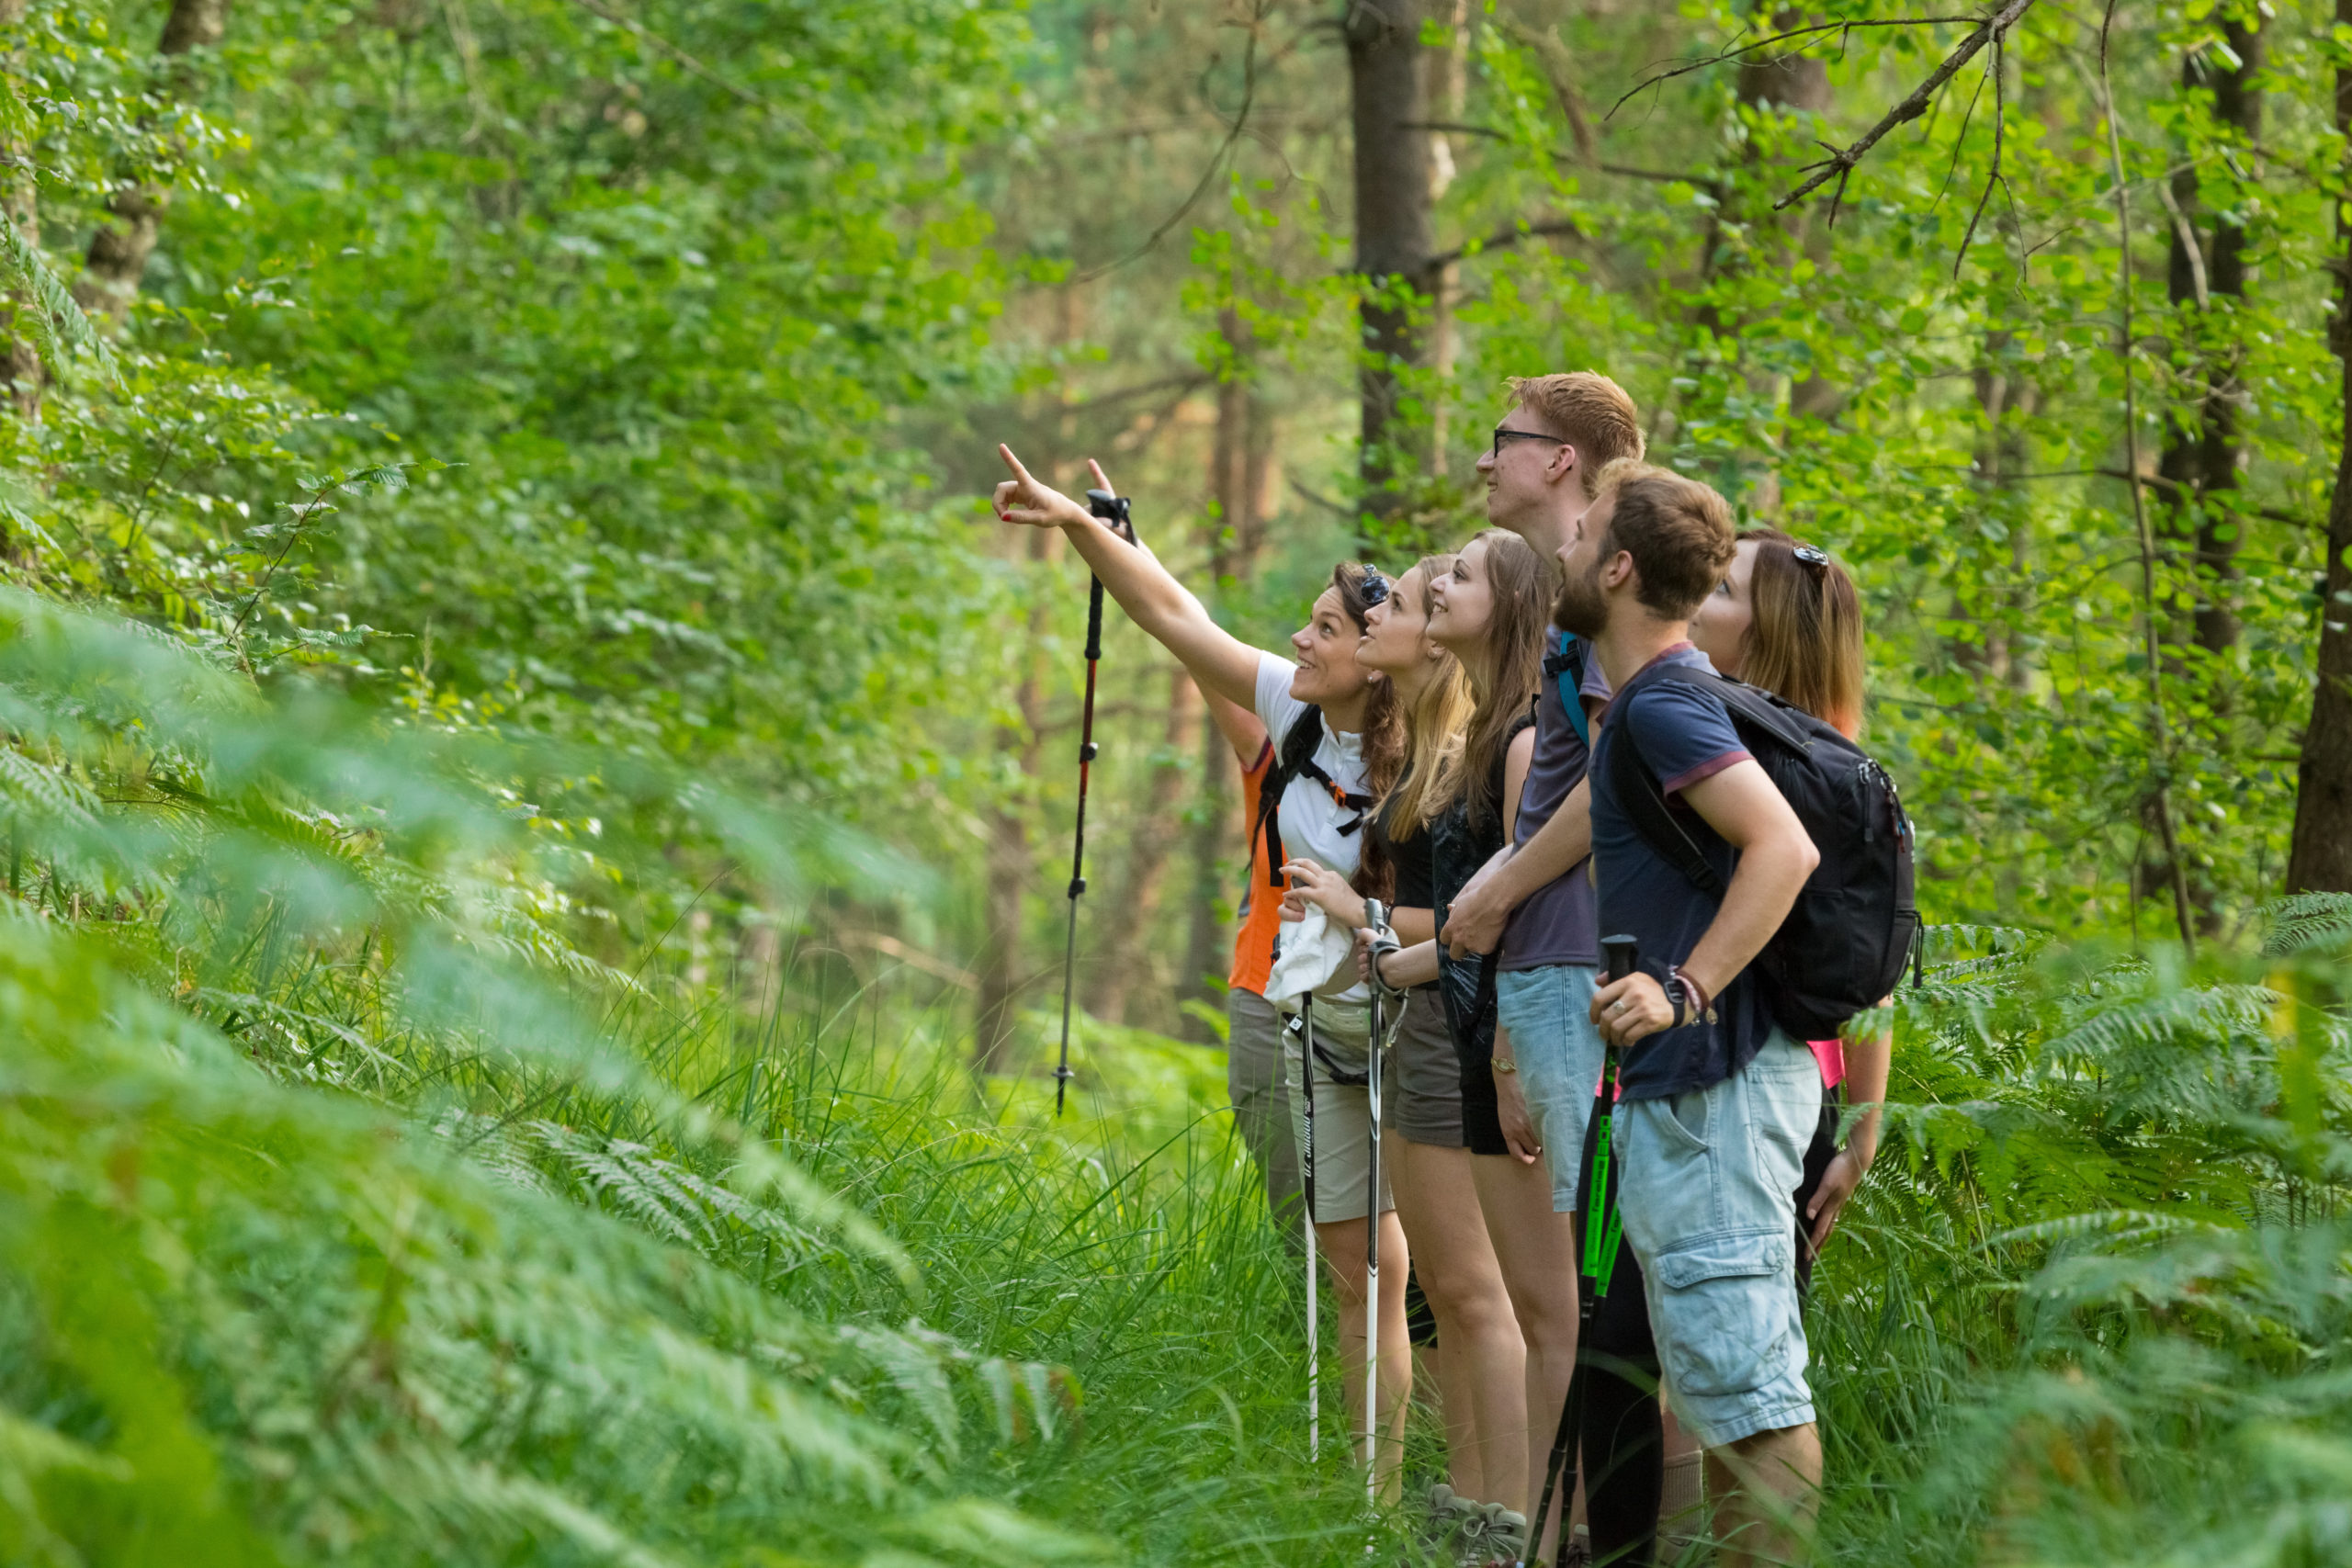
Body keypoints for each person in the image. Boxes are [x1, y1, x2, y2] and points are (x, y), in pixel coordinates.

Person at [989, 446, 1415, 1491]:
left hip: (1415, 1022)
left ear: (1388, 651)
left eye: (1323, 628)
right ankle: (1373, 1487)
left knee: (1418, 1268)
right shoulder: (1288, 724)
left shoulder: (1449, 758)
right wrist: (1099, 537)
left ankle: (1430, 1473)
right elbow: (1184, 629)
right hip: (1281, 1004)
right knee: (1347, 1257)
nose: (1296, 640)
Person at [1557, 461, 1826, 1568]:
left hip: (1716, 1090)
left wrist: (1682, 987)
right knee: (1716, 1387)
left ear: (1618, 567)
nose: (1563, 552)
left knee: (1752, 1398)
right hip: (1690, 1093)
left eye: (1578, 537)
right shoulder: (1658, 695)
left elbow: (1786, 849)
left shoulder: (1666, 698)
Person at [1432, 373, 1650, 1566]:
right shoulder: (1571, 598)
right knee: (1549, 1292)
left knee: (1575, 1293)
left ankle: (1571, 1538)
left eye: (1505, 440)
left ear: (1563, 460)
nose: (1486, 460)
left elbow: (1609, 789)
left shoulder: (1610, 582)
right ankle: (1551, 1528)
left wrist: (1504, 888)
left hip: (1586, 973)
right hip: (1542, 982)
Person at [1284, 553, 1529, 1560]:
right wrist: (1394, 962)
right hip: (1429, 1017)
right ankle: (1471, 1509)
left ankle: (1503, 1521)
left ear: (1438, 634)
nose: (1383, 611)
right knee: (1453, 1291)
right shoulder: (1440, 746)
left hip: (1461, 1031)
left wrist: (1371, 924)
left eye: (1408, 600)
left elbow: (1498, 918)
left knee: (1476, 1293)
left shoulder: (1484, 749)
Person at [1688, 527, 1887, 1280]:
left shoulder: (1777, 778)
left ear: (1767, 637)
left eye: (1722, 590)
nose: (1696, 604)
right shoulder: (1840, 765)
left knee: (1741, 1340)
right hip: (1764, 1082)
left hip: (1764, 1088)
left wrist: (1861, 1138)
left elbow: (1872, 969)